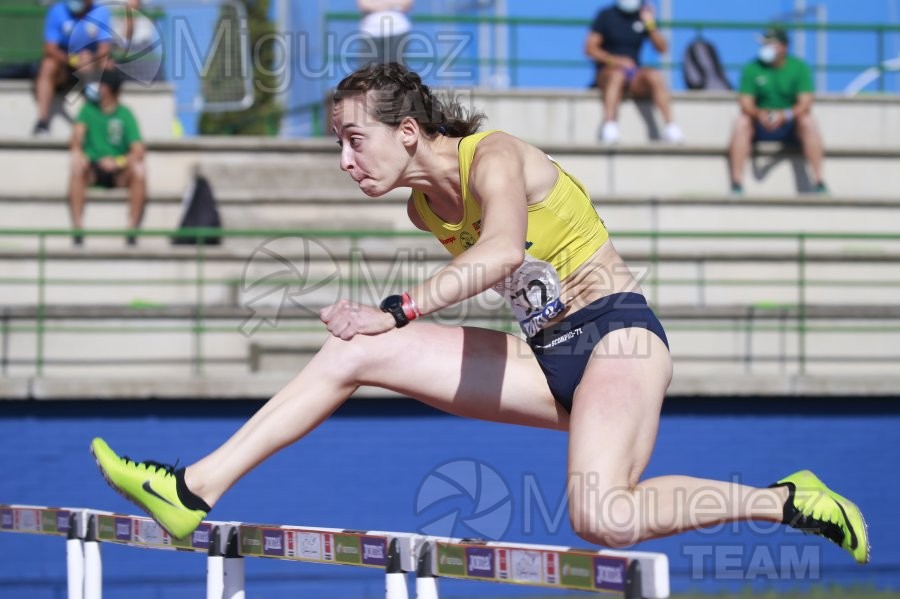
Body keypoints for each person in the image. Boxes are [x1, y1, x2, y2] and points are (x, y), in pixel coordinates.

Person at [90, 63, 868, 565]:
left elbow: (499, 254)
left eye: (354, 141)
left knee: (602, 517)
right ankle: (194, 487)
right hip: (543, 357)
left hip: (619, 340)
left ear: (407, 130)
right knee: (352, 352)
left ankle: (785, 499)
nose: (344, 161)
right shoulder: (422, 212)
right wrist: (383, 327)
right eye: (337, 145)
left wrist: (395, 309)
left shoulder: (491, 154)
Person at [728, 26, 828, 195]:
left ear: (784, 47)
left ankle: (819, 182)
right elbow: (745, 102)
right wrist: (759, 114)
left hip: (790, 125)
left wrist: (786, 115)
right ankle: (736, 183)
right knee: (741, 123)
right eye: (764, 44)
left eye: (770, 44)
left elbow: (805, 102)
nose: (765, 48)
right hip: (759, 124)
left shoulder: (799, 67)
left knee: (809, 122)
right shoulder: (752, 68)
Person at [584, 0, 684, 144]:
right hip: (608, 71)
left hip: (633, 74)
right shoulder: (606, 15)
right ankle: (609, 125)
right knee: (617, 74)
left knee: (654, 75)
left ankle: (670, 127)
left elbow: (662, 48)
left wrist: (650, 24)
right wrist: (615, 61)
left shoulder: (642, 16)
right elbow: (590, 48)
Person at [68, 69, 146, 246]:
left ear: (110, 90)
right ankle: (78, 228)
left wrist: (119, 162)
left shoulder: (125, 114)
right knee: (76, 166)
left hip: (119, 172)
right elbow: (76, 137)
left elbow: (138, 149)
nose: (98, 89)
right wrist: (79, 153)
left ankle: (131, 230)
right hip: (93, 168)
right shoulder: (88, 110)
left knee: (139, 170)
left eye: (102, 86)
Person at [34, 0, 113, 136]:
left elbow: (105, 48)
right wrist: (72, 60)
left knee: (107, 65)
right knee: (48, 65)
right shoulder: (57, 11)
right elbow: (49, 48)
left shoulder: (101, 12)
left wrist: (90, 59)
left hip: (91, 66)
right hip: (64, 66)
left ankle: (101, 120)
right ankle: (42, 122)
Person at [357, 0, 414, 66]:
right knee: (368, 71)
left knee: (396, 70)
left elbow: (406, 4)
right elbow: (365, 5)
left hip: (398, 30)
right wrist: (393, 4)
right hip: (371, 32)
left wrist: (377, 4)